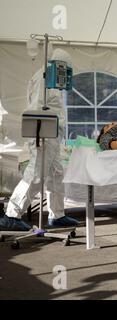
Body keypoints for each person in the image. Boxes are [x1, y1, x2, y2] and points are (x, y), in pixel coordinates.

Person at [0, 48, 79, 231]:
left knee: (57, 174)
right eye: (65, 68)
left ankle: (57, 215)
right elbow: (35, 108)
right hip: (43, 136)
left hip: (53, 136)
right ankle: (12, 214)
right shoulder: (43, 77)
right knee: (35, 175)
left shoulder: (53, 80)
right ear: (58, 63)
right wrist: (39, 137)